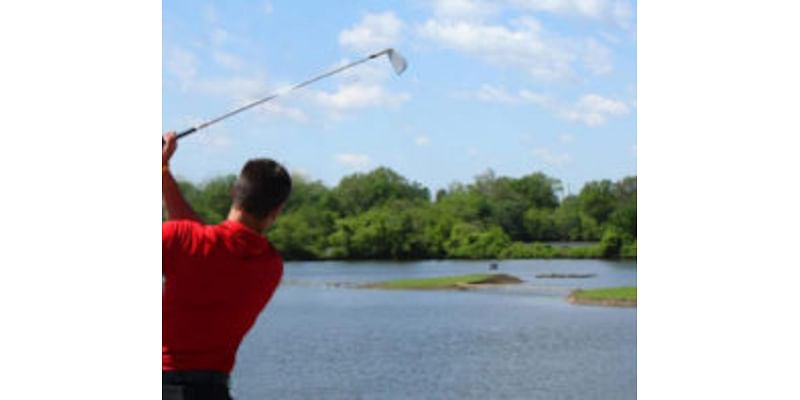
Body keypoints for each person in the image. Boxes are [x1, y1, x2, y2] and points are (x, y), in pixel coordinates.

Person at [162, 132, 291, 399]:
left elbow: (193, 238)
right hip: (213, 390)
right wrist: (161, 172)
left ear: (233, 192)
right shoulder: (270, 265)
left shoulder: (182, 239)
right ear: (276, 211)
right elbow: (199, 240)